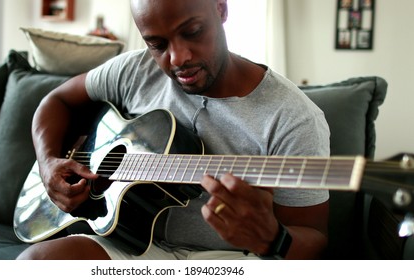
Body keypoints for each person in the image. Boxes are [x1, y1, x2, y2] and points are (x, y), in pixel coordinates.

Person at [17, 0, 330, 260]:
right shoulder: (134, 70)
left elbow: (314, 237)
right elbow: (56, 100)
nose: (178, 58)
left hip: (229, 259)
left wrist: (273, 240)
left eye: (192, 32)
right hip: (129, 249)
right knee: (35, 262)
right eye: (157, 44)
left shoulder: (294, 117)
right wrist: (48, 163)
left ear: (220, 9)